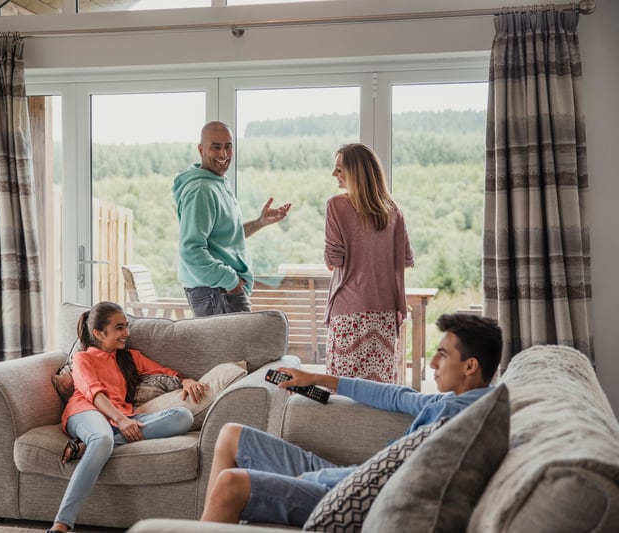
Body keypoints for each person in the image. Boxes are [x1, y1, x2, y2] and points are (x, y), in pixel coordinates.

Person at [200, 313, 503, 527]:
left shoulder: (459, 421)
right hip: (350, 475)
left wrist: (311, 479)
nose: (433, 363)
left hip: (351, 493)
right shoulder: (451, 401)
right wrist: (315, 377)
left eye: (442, 355)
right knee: (231, 434)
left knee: (231, 484)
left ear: (470, 366)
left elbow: (396, 478)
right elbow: (396, 396)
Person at [46, 301, 209, 533]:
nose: (127, 333)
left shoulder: (130, 357)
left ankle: (85, 448)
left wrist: (186, 380)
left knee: (182, 416)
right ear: (98, 333)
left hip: (119, 420)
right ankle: (61, 524)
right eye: (119, 328)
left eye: (126, 326)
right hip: (86, 412)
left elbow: (164, 371)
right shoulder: (83, 359)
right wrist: (122, 421)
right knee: (102, 439)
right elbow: (95, 394)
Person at [173, 120, 291, 317]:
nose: (223, 154)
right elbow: (190, 250)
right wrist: (231, 281)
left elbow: (224, 239)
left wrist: (259, 222)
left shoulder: (217, 183)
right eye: (216, 147)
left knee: (237, 348)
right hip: (216, 291)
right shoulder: (201, 189)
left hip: (221, 290)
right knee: (234, 349)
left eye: (228, 146)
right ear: (201, 149)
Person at [323, 143, 415, 382]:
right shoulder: (394, 211)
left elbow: (334, 260)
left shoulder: (336, 205)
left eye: (340, 169)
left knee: (342, 390)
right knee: (379, 394)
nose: (335, 174)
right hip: (383, 314)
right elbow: (403, 260)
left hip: (348, 312)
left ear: (357, 172)